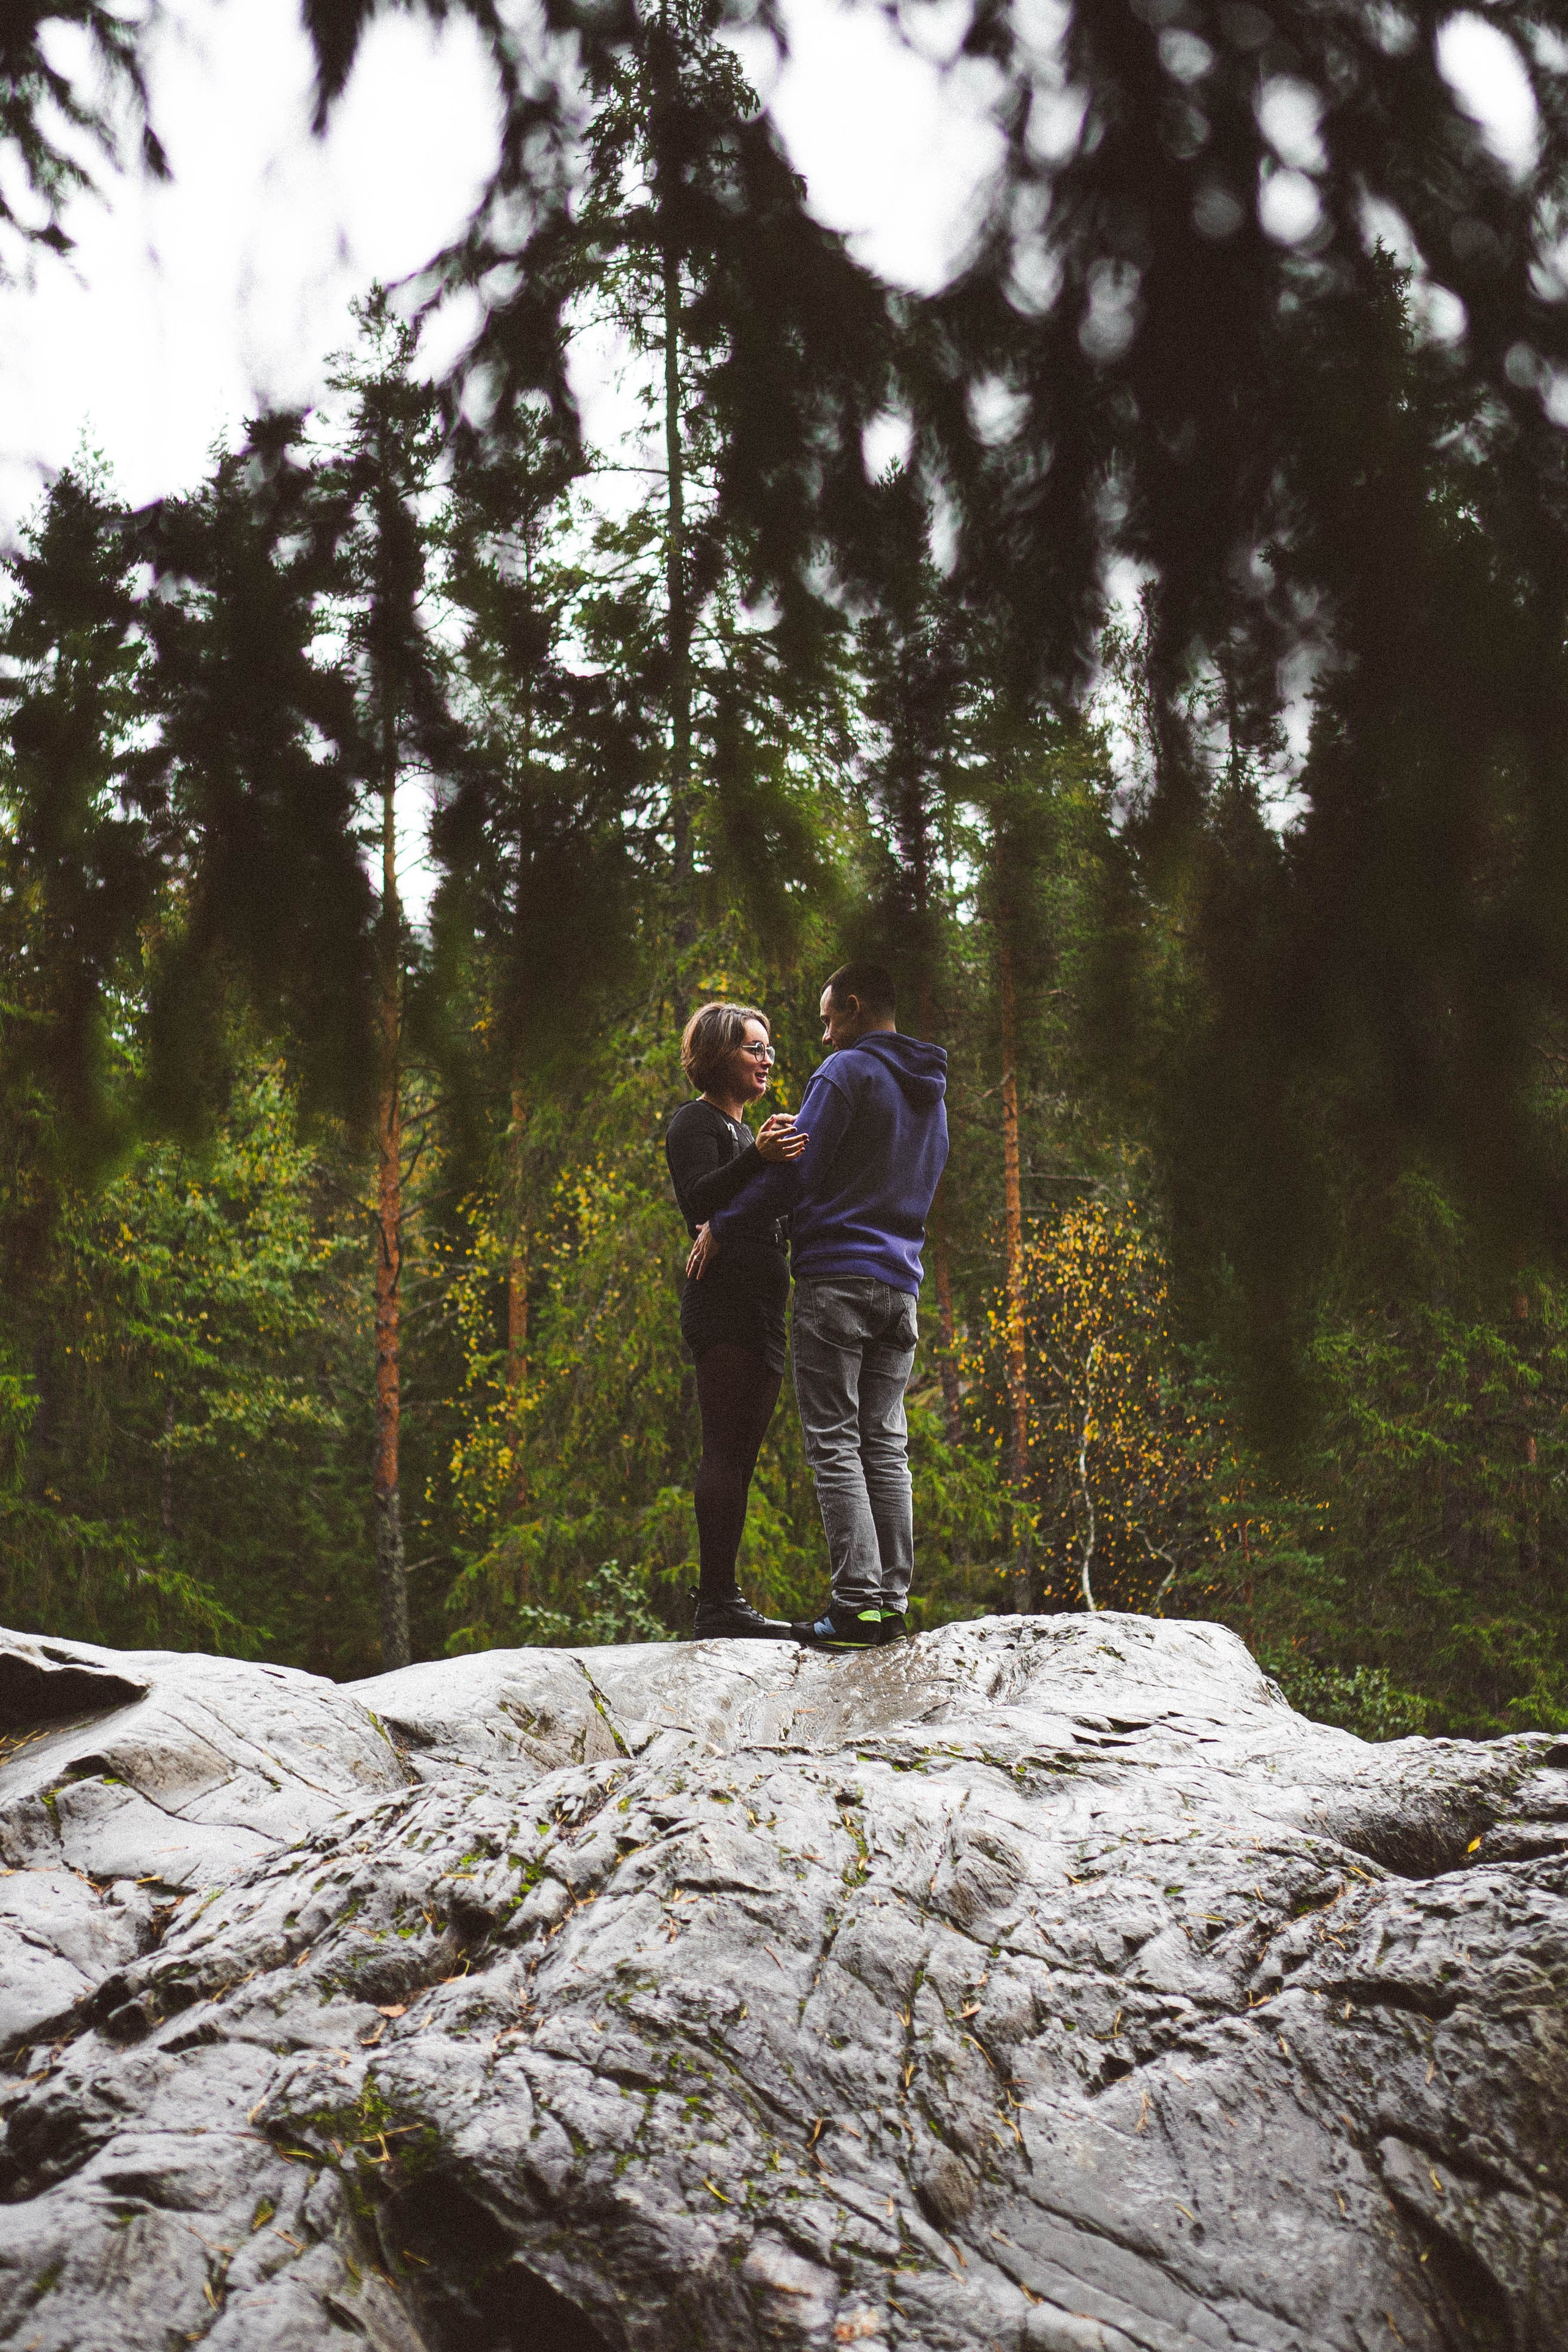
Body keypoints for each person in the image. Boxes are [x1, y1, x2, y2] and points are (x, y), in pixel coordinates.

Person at [688, 961, 948, 1650]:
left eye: (830, 1020)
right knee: (885, 1445)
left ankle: (856, 1604)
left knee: (835, 1441)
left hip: (837, 1284)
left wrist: (723, 1226)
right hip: (902, 1287)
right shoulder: (931, 1095)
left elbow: (796, 1175)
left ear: (856, 1008)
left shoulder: (845, 1073)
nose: (825, 1036)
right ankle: (889, 1605)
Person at [664, 1001, 807, 1640]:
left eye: (769, 1048)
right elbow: (697, 1198)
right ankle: (717, 1601)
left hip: (763, 1311)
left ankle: (725, 1597)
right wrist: (760, 1159)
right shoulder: (694, 1121)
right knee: (723, 1451)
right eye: (754, 1048)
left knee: (741, 1458)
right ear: (720, 1055)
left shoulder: (750, 1135)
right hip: (722, 1306)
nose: (766, 1060)